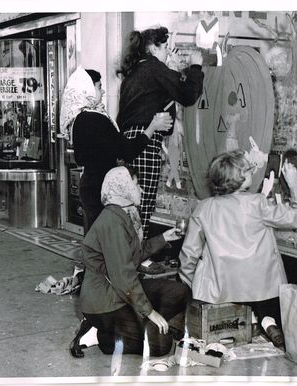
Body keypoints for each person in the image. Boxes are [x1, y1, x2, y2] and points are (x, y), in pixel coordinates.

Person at [178, 149, 297, 348]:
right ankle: (266, 321)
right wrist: (293, 184)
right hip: (260, 288)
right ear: (239, 178)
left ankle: (259, 321)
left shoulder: (203, 208)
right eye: (248, 170)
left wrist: (190, 286)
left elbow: (189, 254)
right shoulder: (257, 204)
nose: (251, 172)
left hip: (216, 290)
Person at [69, 166, 191, 358]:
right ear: (123, 187)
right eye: (136, 184)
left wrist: (164, 238)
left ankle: (143, 328)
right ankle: (101, 336)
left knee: (180, 291)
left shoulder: (122, 215)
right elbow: (123, 276)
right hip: (105, 303)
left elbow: (133, 255)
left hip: (120, 293)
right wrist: (150, 312)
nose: (140, 189)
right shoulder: (112, 222)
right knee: (161, 345)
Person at [59, 67, 173, 233]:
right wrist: (152, 127)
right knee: (107, 240)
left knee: (95, 238)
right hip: (102, 188)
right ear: (87, 90)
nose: (103, 91)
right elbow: (127, 151)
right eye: (99, 87)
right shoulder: (95, 118)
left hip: (90, 185)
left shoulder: (78, 119)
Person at [116, 26, 204, 239]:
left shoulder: (136, 71)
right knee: (142, 205)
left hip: (130, 141)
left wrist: (170, 70)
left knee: (130, 205)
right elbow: (188, 94)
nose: (167, 52)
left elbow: (162, 102)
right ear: (153, 49)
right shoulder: (153, 68)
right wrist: (195, 66)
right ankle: (134, 257)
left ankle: (128, 256)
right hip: (145, 142)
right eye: (164, 47)